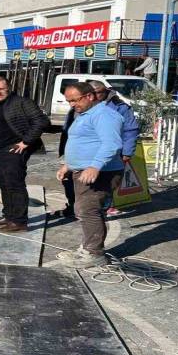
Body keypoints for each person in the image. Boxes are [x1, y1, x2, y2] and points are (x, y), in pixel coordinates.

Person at [55, 82, 125, 267]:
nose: (71, 105)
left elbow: (111, 144)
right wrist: (68, 165)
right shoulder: (85, 114)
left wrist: (94, 166)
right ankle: (88, 247)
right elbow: (83, 142)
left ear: (89, 96)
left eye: (74, 100)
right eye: (68, 101)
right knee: (84, 210)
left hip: (102, 173)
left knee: (88, 210)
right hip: (84, 171)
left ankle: (94, 253)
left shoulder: (104, 115)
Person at [0, 77, 50, 233]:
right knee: (3, 185)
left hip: (12, 150)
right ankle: (9, 216)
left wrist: (26, 142)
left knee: (14, 185)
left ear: (8, 88)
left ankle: (19, 222)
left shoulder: (21, 102)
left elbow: (41, 121)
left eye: (1, 89)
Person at [87, 80, 140, 217]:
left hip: (114, 151)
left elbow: (131, 130)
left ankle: (104, 208)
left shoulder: (120, 107)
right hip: (90, 150)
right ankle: (89, 207)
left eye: (96, 93)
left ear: (104, 91)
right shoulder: (85, 104)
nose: (93, 96)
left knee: (108, 182)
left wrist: (127, 152)